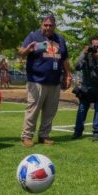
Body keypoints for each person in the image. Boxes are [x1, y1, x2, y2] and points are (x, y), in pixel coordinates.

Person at [18, 13, 72, 147]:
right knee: (33, 110)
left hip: (54, 81)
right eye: (45, 25)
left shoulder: (60, 39)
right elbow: (20, 52)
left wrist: (68, 74)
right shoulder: (33, 36)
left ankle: (44, 135)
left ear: (55, 26)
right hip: (36, 80)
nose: (47, 28)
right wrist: (27, 50)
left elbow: (64, 59)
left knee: (50, 112)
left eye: (50, 25)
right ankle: (26, 136)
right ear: (41, 24)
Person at [71, 36, 98, 141]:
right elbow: (76, 67)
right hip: (87, 85)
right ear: (90, 46)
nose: (97, 49)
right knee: (82, 108)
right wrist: (84, 55)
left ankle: (97, 133)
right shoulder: (86, 52)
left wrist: (97, 58)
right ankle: (78, 131)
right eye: (94, 47)